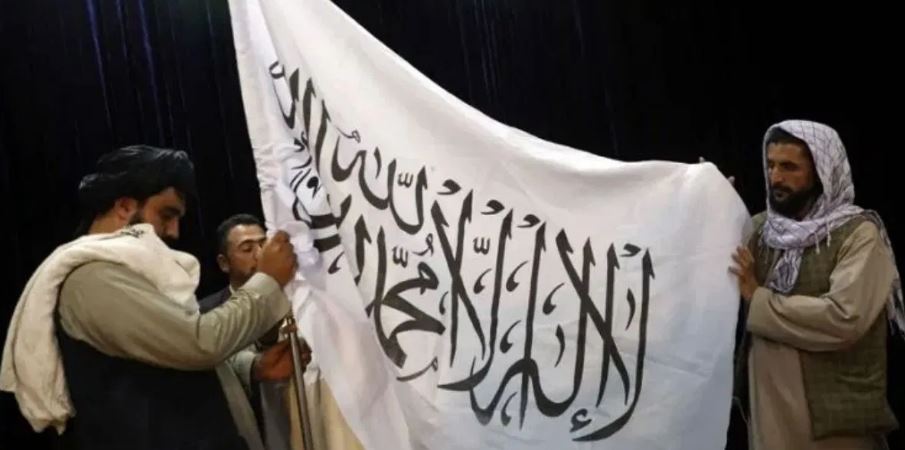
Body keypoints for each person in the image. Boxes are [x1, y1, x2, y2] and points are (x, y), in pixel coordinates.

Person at [0, 145, 297, 450]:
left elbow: (163, 368)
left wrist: (253, 368)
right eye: (167, 215)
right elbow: (198, 344)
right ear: (125, 207)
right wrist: (268, 281)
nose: (175, 231)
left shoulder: (131, 271)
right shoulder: (92, 278)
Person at [730, 121, 903, 449]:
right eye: (771, 165)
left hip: (833, 417)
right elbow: (711, 260)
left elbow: (844, 318)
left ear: (822, 172)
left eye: (789, 167)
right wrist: (712, 206)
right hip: (768, 408)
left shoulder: (858, 234)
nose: (775, 177)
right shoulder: (762, 229)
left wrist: (759, 299)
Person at [203, 213, 301, 450]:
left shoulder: (300, 302)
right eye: (247, 249)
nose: (260, 255)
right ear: (224, 263)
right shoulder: (206, 315)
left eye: (263, 244)